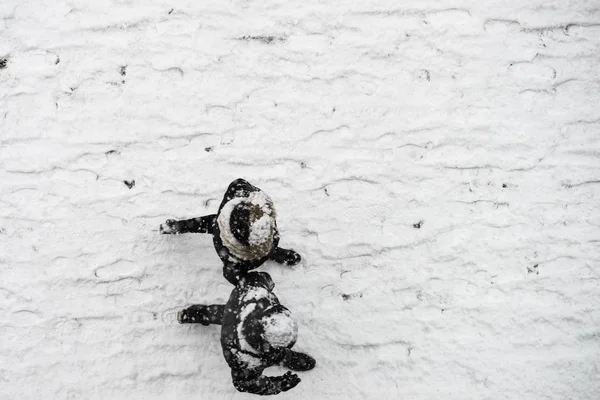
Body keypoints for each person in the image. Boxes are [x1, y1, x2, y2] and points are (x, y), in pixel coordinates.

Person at [178, 271, 316, 395]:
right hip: (235, 330)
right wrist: (280, 384)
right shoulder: (244, 358)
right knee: (229, 320)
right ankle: (286, 358)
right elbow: (245, 384)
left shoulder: (255, 295)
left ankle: (192, 314)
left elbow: (257, 279)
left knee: (221, 314)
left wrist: (265, 279)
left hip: (238, 309)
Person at [160, 178, 301, 284]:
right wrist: (258, 281)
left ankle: (272, 251)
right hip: (240, 245)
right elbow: (232, 275)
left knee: (210, 223)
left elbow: (239, 183)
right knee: (210, 224)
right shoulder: (233, 260)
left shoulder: (249, 205)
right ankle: (272, 252)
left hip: (230, 223)